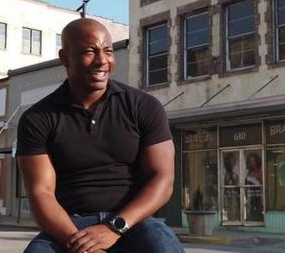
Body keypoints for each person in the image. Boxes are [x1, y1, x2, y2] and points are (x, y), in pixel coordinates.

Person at [17, 18, 184, 253]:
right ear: (64, 58)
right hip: (69, 225)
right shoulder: (38, 118)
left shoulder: (143, 106)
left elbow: (162, 180)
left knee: (164, 249)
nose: (102, 61)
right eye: (89, 51)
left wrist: (114, 228)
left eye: (108, 51)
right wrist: (81, 244)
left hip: (133, 224)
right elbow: (40, 193)